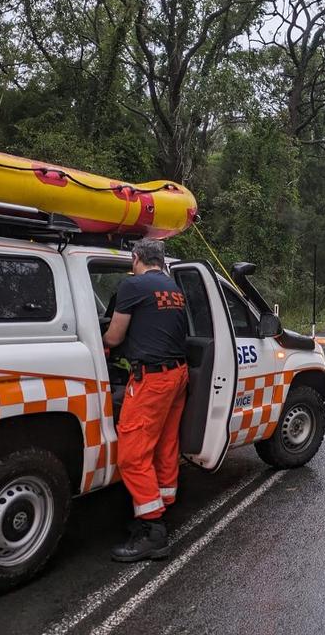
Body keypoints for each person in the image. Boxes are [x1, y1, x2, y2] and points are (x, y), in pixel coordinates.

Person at [103, 238, 189, 562]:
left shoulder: (133, 285)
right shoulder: (173, 287)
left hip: (152, 380)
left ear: (136, 257)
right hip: (178, 374)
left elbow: (114, 336)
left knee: (132, 453)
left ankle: (153, 532)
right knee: (165, 445)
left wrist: (100, 343)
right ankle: (160, 507)